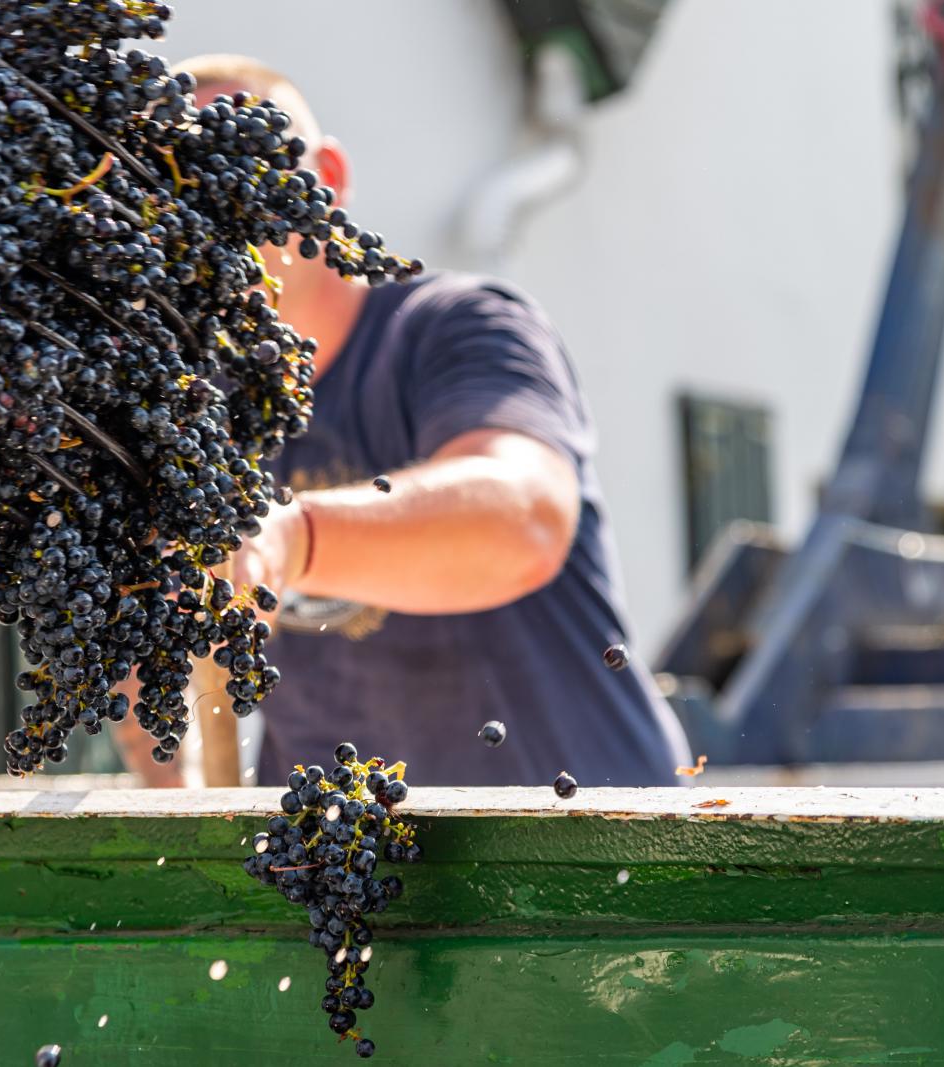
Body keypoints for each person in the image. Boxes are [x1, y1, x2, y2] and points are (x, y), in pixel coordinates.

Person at [119, 54, 691, 788]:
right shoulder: (195, 410)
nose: (212, 215)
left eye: (238, 170)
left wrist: (293, 537)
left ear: (326, 177)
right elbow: (151, 674)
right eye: (175, 192)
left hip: (586, 833)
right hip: (339, 848)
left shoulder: (457, 327)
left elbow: (527, 517)